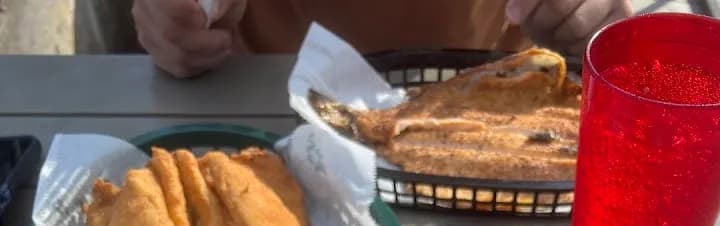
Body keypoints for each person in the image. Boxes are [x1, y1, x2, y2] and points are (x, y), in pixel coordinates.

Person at [76, 0, 632, 77]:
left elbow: (596, 22)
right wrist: (169, 23)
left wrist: (586, 20)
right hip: (259, 116)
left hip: (487, 115)